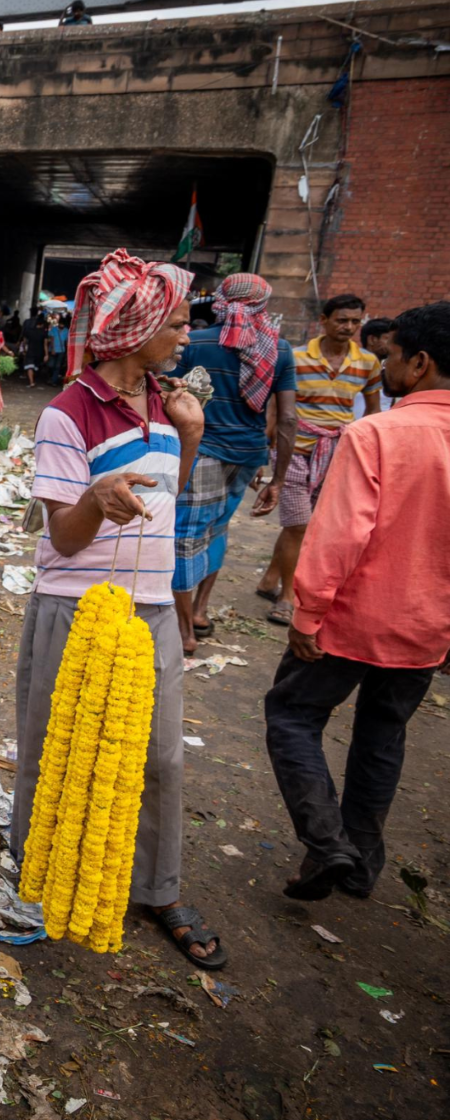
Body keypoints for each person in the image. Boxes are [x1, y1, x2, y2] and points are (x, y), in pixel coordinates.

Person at [16, 248, 224, 970]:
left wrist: (189, 437)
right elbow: (64, 539)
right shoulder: (66, 414)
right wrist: (92, 502)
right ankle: (43, 874)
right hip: (75, 608)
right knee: (58, 751)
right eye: (173, 323)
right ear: (130, 330)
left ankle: (157, 889)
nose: (184, 337)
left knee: (159, 756)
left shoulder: (169, 404)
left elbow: (164, 494)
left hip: (150, 609)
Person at [263, 301, 450, 902]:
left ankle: (328, 843)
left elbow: (341, 534)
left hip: (350, 621)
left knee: (292, 717)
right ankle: (361, 863)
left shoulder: (375, 433)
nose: (384, 363)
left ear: (419, 364)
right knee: (382, 736)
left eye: (391, 355)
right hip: (425, 629)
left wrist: (307, 612)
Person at [171, 274, 297, 655]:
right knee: (218, 529)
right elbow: (288, 419)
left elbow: (169, 394)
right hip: (248, 455)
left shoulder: (195, 342)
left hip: (202, 450)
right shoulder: (279, 349)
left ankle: (183, 632)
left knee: (186, 537)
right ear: (263, 305)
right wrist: (278, 478)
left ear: (221, 300)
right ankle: (200, 610)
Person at [255, 293, 380, 626]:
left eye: (356, 321)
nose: (349, 327)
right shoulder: (295, 357)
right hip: (293, 451)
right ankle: (286, 596)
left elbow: (372, 412)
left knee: (306, 526)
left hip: (338, 453)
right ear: (323, 321)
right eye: (342, 320)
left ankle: (269, 577)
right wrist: (261, 451)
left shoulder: (368, 362)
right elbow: (275, 409)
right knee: (299, 524)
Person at [351, 318, 395, 418]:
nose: (393, 346)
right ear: (372, 339)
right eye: (388, 339)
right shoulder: (351, 369)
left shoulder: (388, 374)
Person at [20, 308, 46, 388]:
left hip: (30, 350)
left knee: (29, 366)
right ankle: (33, 379)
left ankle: (31, 381)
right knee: (35, 366)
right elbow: (45, 344)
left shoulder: (28, 326)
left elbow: (24, 339)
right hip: (39, 352)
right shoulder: (43, 333)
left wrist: (23, 348)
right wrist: (46, 354)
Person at [48, 312, 69, 383]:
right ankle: (51, 377)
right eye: (61, 324)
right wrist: (53, 349)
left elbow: (66, 341)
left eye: (63, 324)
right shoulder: (54, 329)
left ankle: (54, 380)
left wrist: (66, 351)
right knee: (50, 365)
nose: (61, 325)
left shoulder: (66, 331)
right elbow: (51, 340)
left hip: (61, 351)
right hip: (53, 350)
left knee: (57, 366)